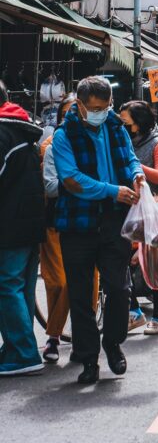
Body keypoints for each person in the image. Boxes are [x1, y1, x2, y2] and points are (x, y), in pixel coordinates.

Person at [52, 75, 144, 385]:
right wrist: (112, 190)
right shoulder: (64, 136)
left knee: (119, 288)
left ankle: (113, 343)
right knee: (80, 296)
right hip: (78, 225)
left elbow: (129, 157)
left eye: (106, 106)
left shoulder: (114, 125)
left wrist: (136, 175)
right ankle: (88, 359)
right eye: (94, 107)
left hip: (113, 221)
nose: (100, 112)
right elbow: (71, 180)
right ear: (79, 105)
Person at [0, 80, 45, 377]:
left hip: (11, 223)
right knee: (21, 286)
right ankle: (18, 347)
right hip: (29, 221)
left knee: (7, 285)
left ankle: (25, 353)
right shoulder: (21, 126)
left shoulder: (4, 132)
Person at [119, 101, 158, 337]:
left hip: (154, 210)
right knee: (120, 261)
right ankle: (134, 312)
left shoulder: (156, 143)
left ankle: (157, 317)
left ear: (139, 122)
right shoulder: (122, 141)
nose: (123, 126)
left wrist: (135, 166)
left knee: (155, 263)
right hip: (129, 209)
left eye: (126, 122)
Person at [39, 93, 78, 363]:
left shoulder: (95, 141)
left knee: (86, 285)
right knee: (59, 283)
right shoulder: (50, 145)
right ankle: (53, 335)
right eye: (70, 112)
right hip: (54, 221)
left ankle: (77, 340)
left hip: (86, 222)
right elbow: (51, 187)